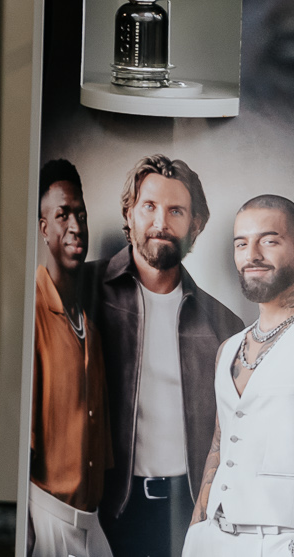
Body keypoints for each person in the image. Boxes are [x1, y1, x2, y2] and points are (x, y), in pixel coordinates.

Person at [100, 156, 244, 557]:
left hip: (190, 511)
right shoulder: (85, 295)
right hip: (105, 508)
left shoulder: (224, 326)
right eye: (149, 206)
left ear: (195, 226)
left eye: (176, 211)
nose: (160, 222)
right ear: (129, 214)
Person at [183, 194, 294, 556]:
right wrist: (196, 531)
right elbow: (220, 445)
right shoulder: (228, 349)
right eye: (241, 243)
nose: (252, 255)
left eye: (269, 240)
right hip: (214, 538)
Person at [32, 159, 113, 557]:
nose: (76, 226)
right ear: (44, 227)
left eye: (81, 215)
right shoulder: (31, 311)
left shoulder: (89, 328)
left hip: (91, 524)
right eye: (63, 215)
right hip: (48, 519)